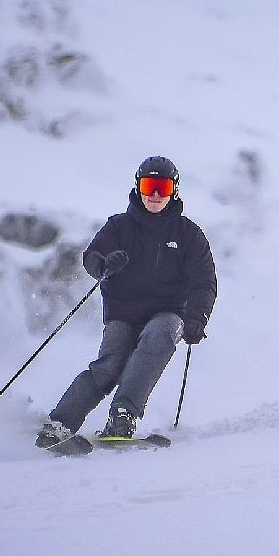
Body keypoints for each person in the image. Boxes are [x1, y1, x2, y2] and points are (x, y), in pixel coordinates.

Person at [36, 156, 218, 447]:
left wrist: (197, 319)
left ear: (174, 191)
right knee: (109, 367)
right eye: (148, 186)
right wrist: (104, 264)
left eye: (162, 187)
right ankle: (59, 425)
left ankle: (122, 416)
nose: (155, 195)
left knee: (160, 334)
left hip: (168, 312)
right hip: (123, 314)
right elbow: (92, 257)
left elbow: (203, 281)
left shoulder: (188, 235)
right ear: (138, 187)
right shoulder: (119, 226)